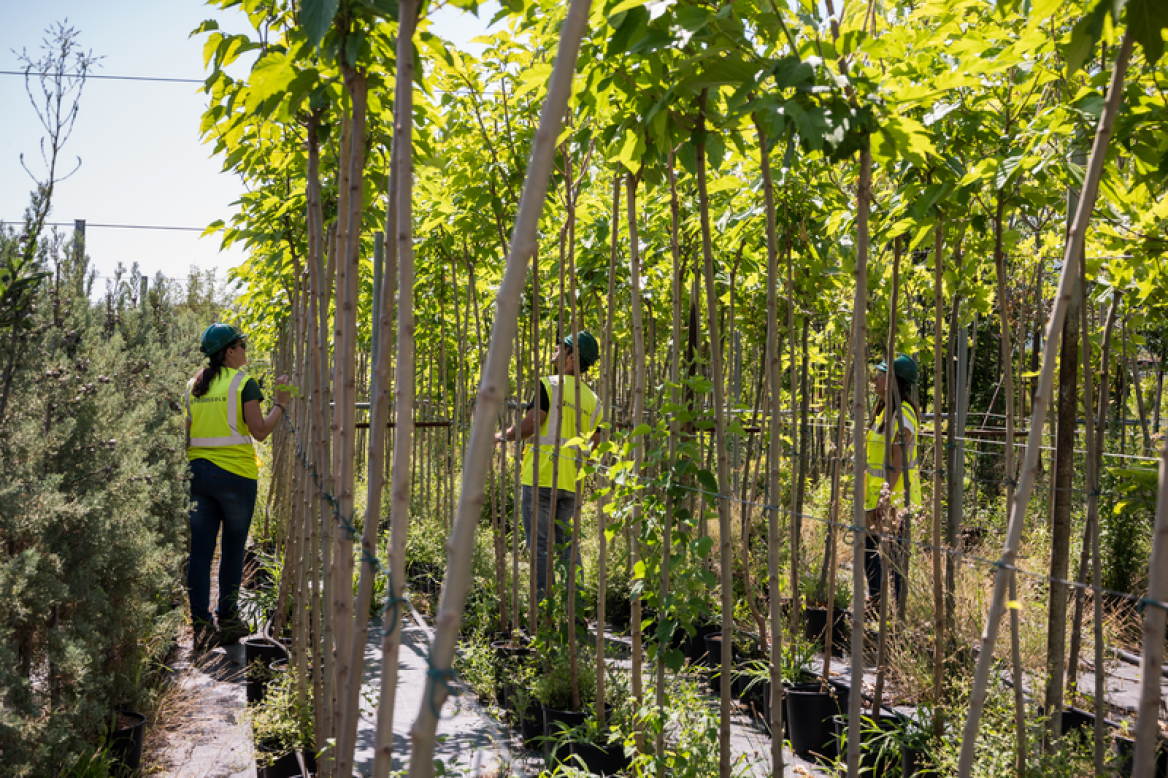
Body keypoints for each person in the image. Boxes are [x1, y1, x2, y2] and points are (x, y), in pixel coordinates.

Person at [184, 323, 290, 650]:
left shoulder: (194, 385)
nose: (245, 349)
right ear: (229, 351)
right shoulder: (244, 383)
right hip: (234, 477)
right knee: (232, 549)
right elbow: (260, 431)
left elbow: (188, 433)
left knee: (200, 553)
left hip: (198, 475)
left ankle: (201, 627)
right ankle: (228, 620)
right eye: (241, 345)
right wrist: (281, 404)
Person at [495, 331, 602, 598]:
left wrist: (500, 436)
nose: (555, 348)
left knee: (540, 546)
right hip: (571, 483)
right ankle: (574, 605)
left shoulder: (549, 385)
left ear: (572, 356)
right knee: (569, 548)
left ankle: (543, 607)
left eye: (561, 346)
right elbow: (595, 445)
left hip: (540, 478)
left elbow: (531, 425)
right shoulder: (593, 400)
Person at [863, 353, 920, 606]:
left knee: (894, 555)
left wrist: (885, 499)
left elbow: (898, 462)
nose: (875, 378)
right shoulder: (884, 411)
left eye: (881, 374)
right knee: (870, 550)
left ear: (894, 380)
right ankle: (875, 602)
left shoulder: (903, 415)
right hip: (875, 494)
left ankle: (898, 611)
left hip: (894, 497)